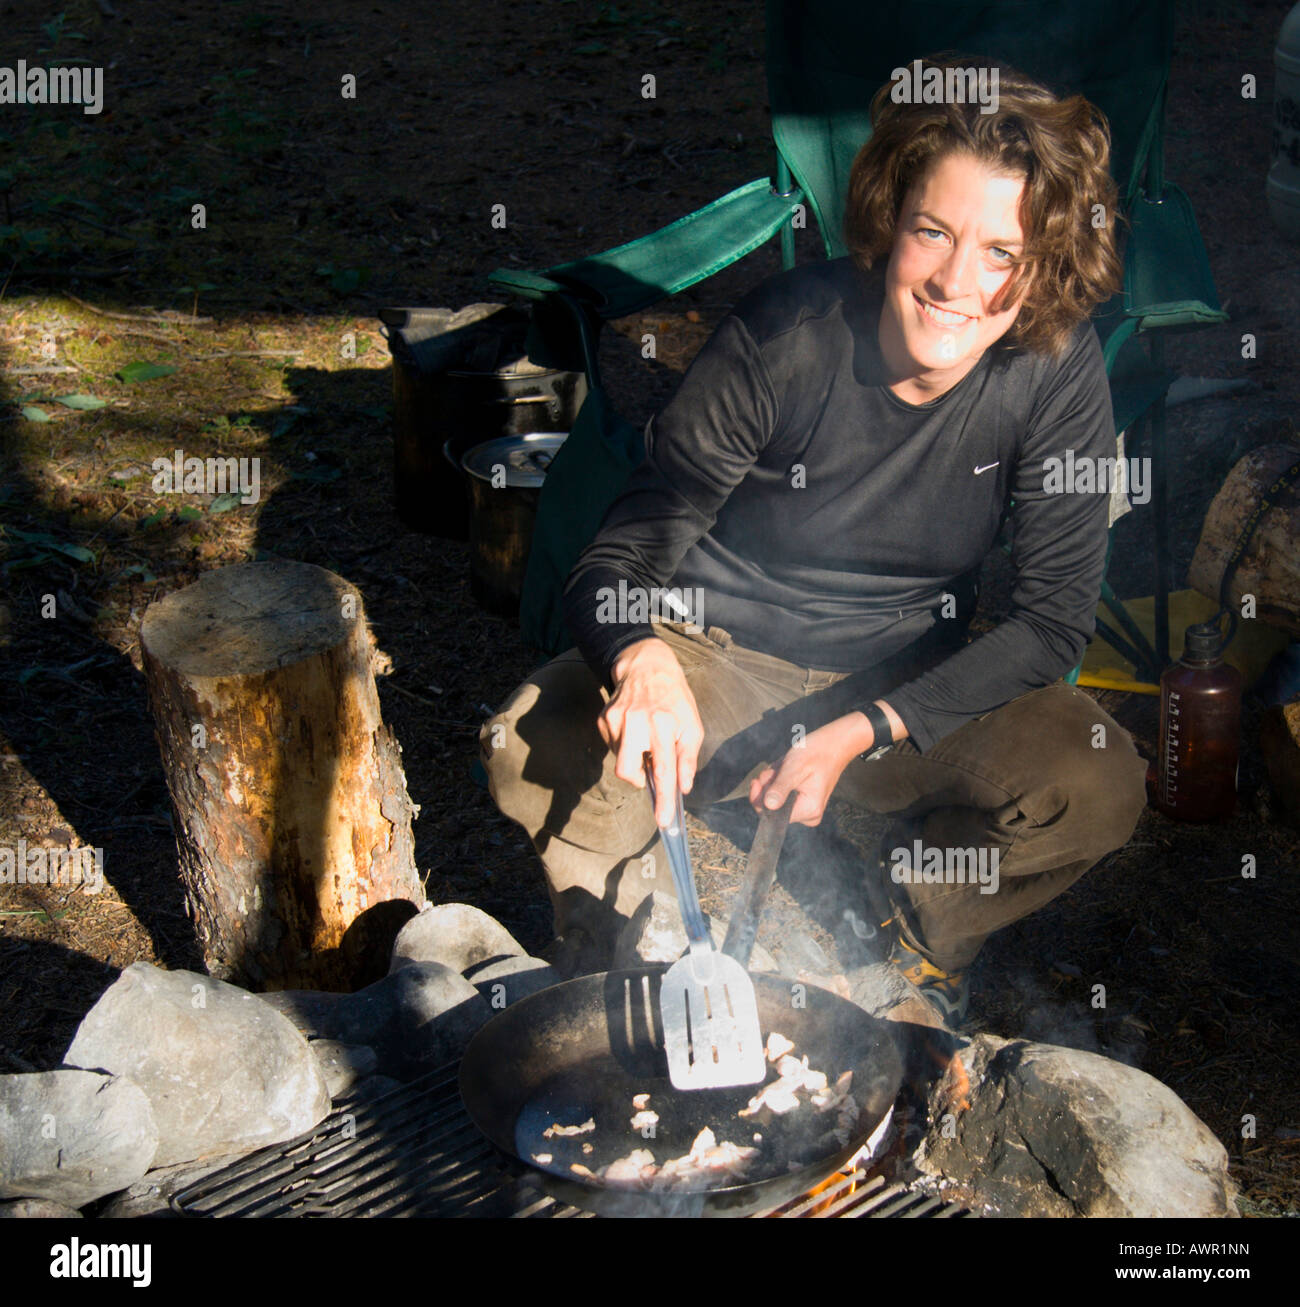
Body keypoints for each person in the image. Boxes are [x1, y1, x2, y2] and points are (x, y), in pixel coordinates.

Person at [480, 57, 1149, 1025]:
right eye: (933, 232)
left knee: (1091, 777)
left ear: (1042, 270)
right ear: (889, 222)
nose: (959, 281)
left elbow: (1050, 623)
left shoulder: (1050, 365)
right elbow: (617, 560)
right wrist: (640, 660)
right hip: (713, 656)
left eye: (1002, 253)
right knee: (530, 739)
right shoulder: (781, 339)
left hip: (899, 677)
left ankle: (922, 934)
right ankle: (623, 951)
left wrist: (864, 727)